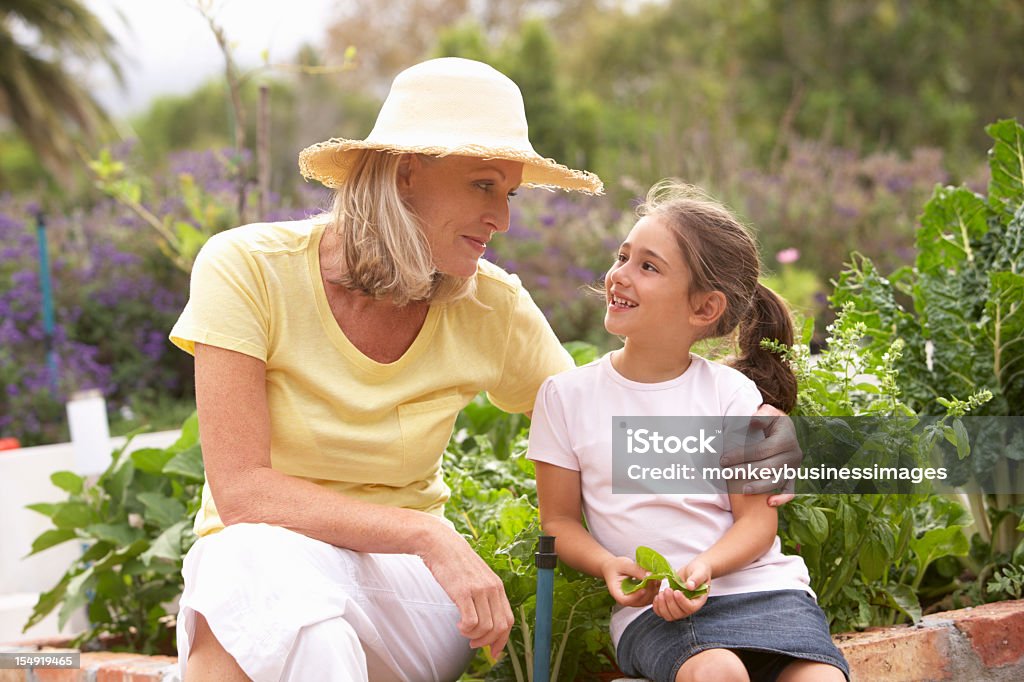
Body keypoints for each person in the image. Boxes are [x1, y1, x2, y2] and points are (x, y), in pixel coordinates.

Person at [170, 58, 800, 682]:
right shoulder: (248, 267)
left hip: (406, 597)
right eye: (483, 185)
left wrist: (762, 435)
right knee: (264, 579)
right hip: (272, 567)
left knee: (247, 617)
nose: (503, 218)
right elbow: (243, 491)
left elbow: (607, 426)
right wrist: (426, 534)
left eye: (509, 193)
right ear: (408, 172)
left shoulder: (490, 306)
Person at [528, 181, 850, 682]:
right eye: (623, 256)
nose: (620, 276)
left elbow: (757, 525)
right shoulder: (564, 397)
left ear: (704, 308)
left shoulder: (737, 397)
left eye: (648, 266)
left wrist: (704, 569)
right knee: (717, 672)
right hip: (657, 610)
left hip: (765, 591)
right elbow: (560, 522)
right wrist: (608, 564)